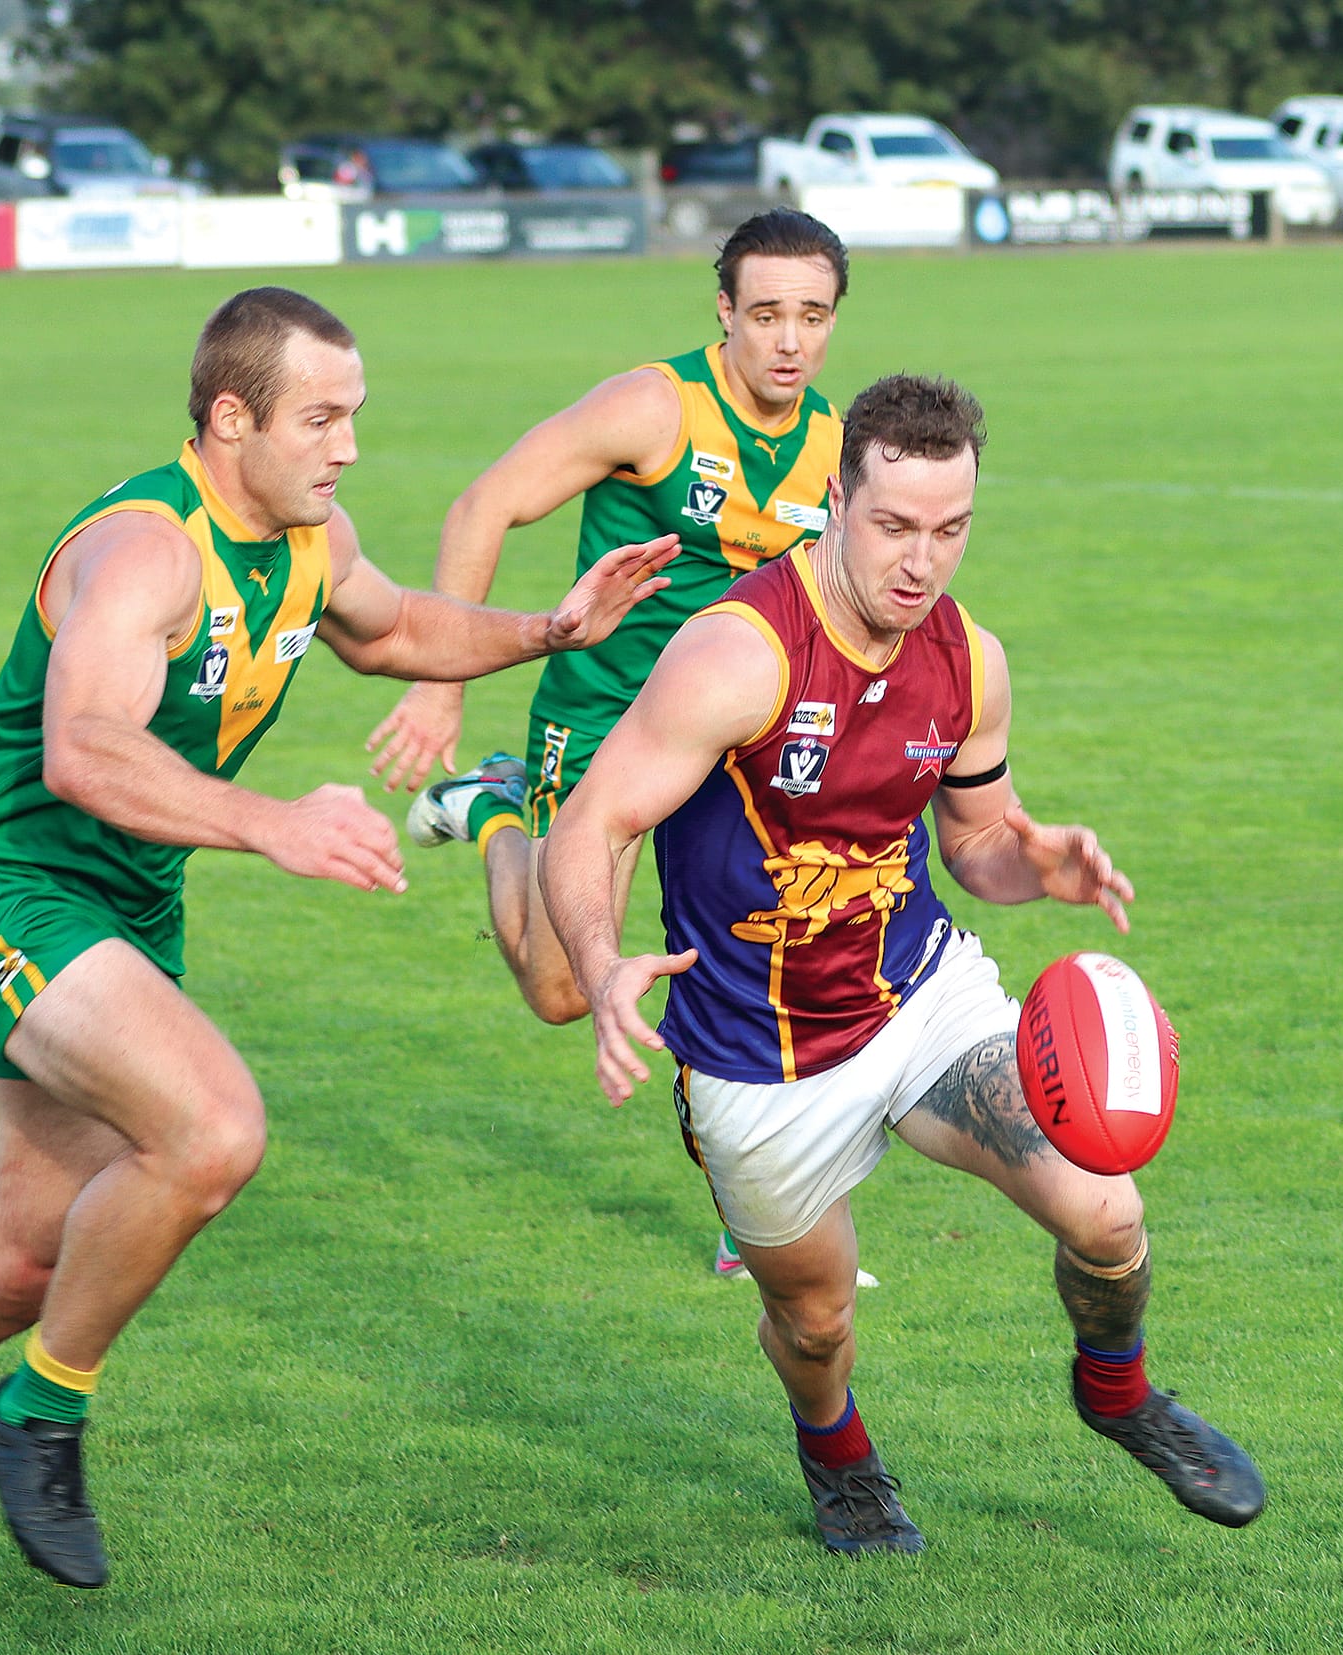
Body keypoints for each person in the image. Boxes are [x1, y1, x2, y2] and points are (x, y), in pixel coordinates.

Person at [0, 286, 680, 1589]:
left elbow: (393, 628)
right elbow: (83, 745)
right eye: (322, 419)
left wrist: (550, 629)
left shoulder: (307, 537)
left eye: (354, 417)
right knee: (215, 1126)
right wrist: (271, 821)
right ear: (232, 418)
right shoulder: (146, 548)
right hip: (1, 883)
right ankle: (41, 1412)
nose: (346, 447)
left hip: (119, 905)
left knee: (22, 1259)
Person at [540, 373, 1265, 1554]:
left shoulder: (968, 660)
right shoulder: (737, 654)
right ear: (834, 502)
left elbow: (976, 840)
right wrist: (599, 957)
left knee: (1104, 1206)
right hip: (757, 1058)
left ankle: (1118, 1390)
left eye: (948, 528)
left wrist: (1041, 866)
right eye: (891, 526)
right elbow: (597, 821)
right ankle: (836, 1452)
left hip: (919, 998)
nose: (920, 561)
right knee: (815, 1321)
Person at [370, 207, 848, 1281]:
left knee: (771, 952)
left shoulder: (832, 447)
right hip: (596, 726)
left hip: (729, 742)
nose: (787, 339)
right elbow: (482, 503)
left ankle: (755, 1215)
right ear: (722, 311)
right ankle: (494, 805)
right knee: (561, 990)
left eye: (810, 316)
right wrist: (441, 689)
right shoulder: (652, 406)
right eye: (764, 312)